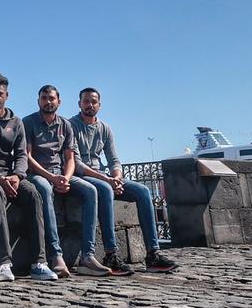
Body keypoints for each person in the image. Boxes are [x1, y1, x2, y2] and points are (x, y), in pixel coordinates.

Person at [70, 87, 179, 274]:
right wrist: (107, 180)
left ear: (99, 105)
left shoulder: (105, 128)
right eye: (86, 101)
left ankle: (153, 254)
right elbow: (77, 164)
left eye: (94, 102)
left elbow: (114, 160)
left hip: (104, 176)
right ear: (79, 103)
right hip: (83, 176)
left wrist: (117, 178)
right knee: (105, 188)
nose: (90, 105)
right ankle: (110, 254)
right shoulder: (71, 126)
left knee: (143, 191)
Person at [0, 72, 57, 281]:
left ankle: (39, 262)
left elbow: (22, 154)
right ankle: (3, 263)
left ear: (7, 95)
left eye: (0, 93)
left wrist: (18, 175)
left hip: (12, 176)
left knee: (33, 194)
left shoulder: (16, 122)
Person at [23, 85, 111, 278]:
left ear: (59, 101)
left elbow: (70, 158)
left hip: (61, 174)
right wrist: (51, 178)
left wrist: (66, 178)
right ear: (38, 101)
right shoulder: (28, 122)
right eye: (44, 98)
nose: (48, 101)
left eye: (52, 98)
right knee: (45, 190)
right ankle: (56, 255)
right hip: (38, 174)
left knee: (91, 190)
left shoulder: (65, 125)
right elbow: (27, 157)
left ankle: (87, 256)